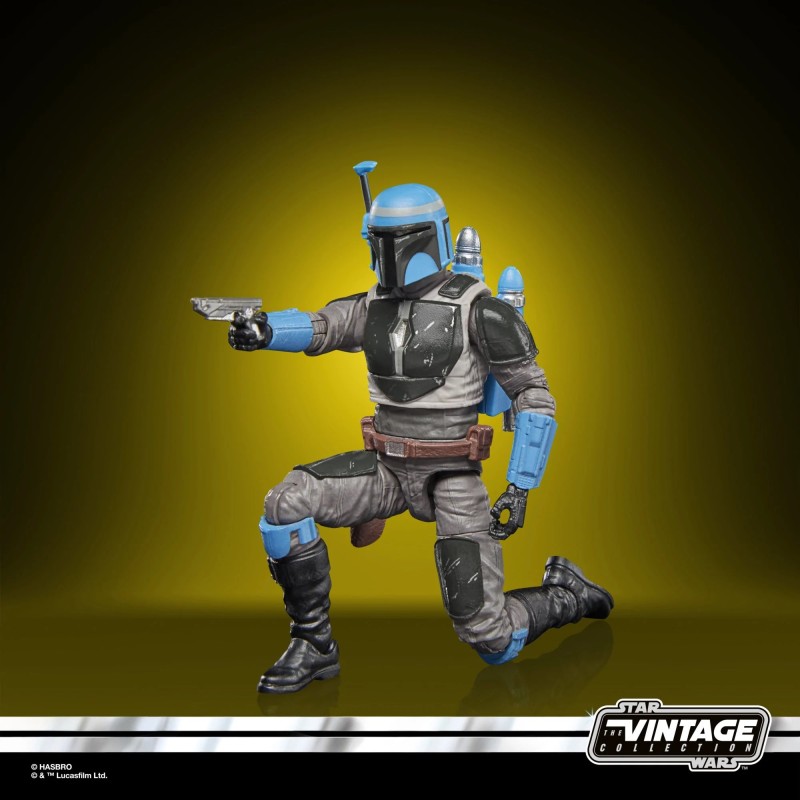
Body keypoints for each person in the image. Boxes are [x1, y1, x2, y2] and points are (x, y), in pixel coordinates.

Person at [229, 164, 613, 693]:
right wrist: (264, 328)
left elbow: (533, 394)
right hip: (386, 468)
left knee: (490, 637)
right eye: (379, 241)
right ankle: (314, 644)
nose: (387, 255)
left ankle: (566, 593)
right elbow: (321, 325)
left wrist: (521, 483)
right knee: (285, 503)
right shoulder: (372, 305)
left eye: (396, 241)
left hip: (452, 473)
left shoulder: (482, 310)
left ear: (430, 239)